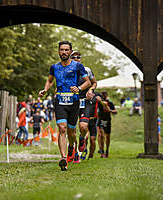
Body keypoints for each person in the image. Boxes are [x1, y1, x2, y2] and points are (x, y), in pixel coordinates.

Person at [39, 41, 91, 171]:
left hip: (74, 102)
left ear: (70, 51)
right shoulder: (54, 67)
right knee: (62, 128)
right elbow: (50, 80)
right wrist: (45, 89)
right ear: (58, 51)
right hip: (60, 100)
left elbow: (88, 82)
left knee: (71, 131)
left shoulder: (78, 66)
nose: (64, 52)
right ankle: (63, 158)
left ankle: (72, 147)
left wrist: (79, 88)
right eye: (62, 50)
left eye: (67, 50)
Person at [70, 51, 97, 160]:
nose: (76, 59)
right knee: (71, 130)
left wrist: (90, 90)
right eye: (74, 57)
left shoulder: (87, 70)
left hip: (84, 101)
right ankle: (75, 152)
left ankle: (82, 138)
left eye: (78, 57)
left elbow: (94, 82)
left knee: (83, 126)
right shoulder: (66, 71)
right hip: (71, 102)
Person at [97, 91, 117, 158]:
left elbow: (115, 111)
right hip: (100, 120)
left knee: (107, 137)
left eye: (105, 95)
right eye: (102, 95)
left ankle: (107, 150)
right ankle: (102, 151)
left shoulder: (109, 102)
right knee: (101, 134)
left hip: (108, 120)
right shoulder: (99, 103)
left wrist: (110, 111)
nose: (104, 96)